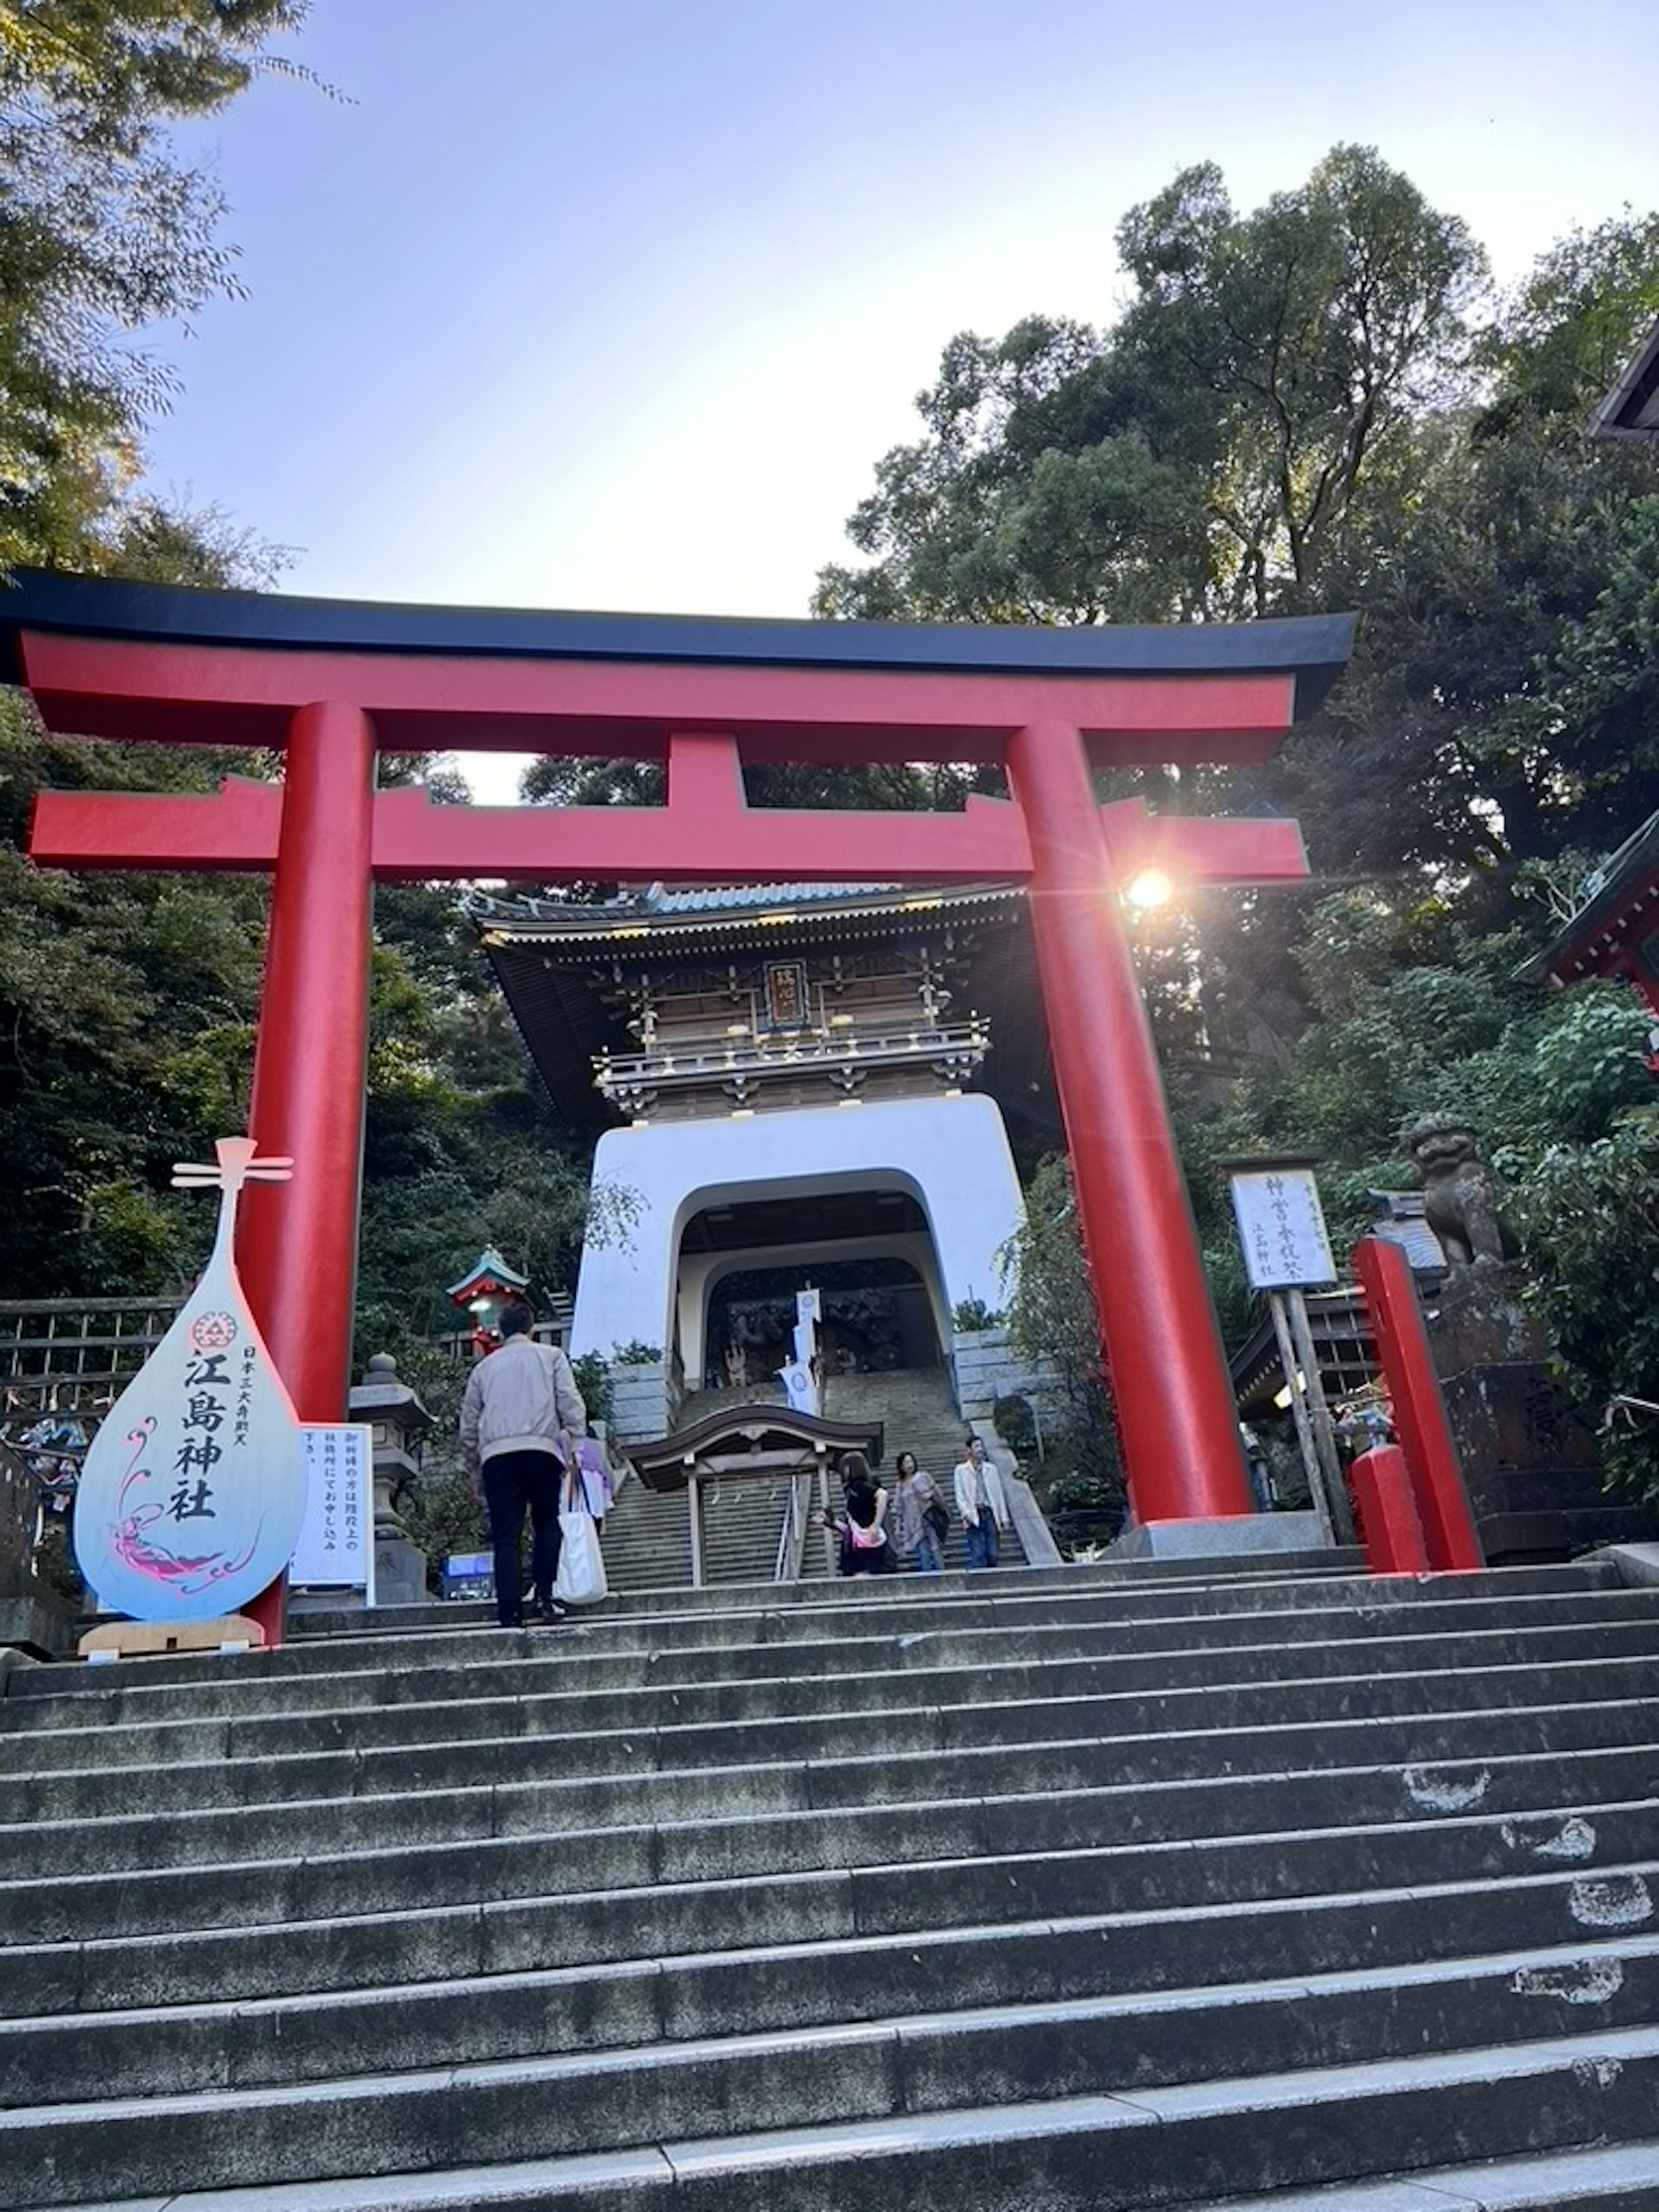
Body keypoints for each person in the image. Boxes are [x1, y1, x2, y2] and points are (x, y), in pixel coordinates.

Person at [458, 1302, 586, 1627]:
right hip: (541, 1449)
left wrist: (475, 1467)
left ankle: (510, 1612)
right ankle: (544, 1597)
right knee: (546, 1523)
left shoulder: (484, 1369)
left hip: (497, 1457)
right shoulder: (551, 1357)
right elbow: (571, 1404)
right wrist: (573, 1444)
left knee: (506, 1537)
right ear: (531, 1326)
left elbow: (469, 1424)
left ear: (501, 1331)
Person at [814, 1450, 894, 1576]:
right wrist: (832, 1522)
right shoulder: (852, 1490)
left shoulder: (859, 1487)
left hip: (865, 1549)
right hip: (860, 1544)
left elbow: (882, 1494)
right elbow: (851, 1529)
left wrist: (875, 1525)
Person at [953, 1433, 1011, 1571]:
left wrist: (1004, 1517)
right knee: (977, 1553)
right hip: (973, 1514)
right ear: (969, 1450)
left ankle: (993, 1577)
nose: (981, 1450)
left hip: (989, 1512)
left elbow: (999, 1495)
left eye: (981, 1446)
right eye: (977, 1446)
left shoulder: (992, 1469)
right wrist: (966, 1514)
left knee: (993, 1553)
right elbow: (960, 1496)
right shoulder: (961, 1471)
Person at [890, 1449, 946, 1574]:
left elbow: (936, 1492)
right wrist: (898, 1527)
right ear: (901, 1467)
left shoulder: (924, 1477)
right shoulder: (901, 1485)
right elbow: (898, 1507)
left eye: (911, 1462)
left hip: (929, 1517)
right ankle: (927, 1576)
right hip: (914, 1522)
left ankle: (942, 1574)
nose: (910, 1465)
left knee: (935, 1547)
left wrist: (930, 1496)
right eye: (906, 1463)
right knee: (923, 1550)